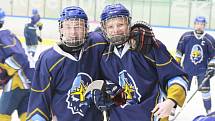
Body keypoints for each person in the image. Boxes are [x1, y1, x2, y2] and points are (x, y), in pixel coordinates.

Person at [92, 3, 188, 121]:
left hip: (152, 116)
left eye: (120, 24)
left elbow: (176, 76)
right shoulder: (103, 55)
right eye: (110, 27)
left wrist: (171, 101)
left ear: (128, 24)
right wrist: (106, 96)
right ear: (104, 29)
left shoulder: (148, 46)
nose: (116, 30)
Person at [26, 6, 107, 121]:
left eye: (78, 27)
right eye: (68, 27)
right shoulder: (48, 59)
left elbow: (116, 34)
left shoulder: (97, 44)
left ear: (86, 29)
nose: (73, 32)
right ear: (61, 29)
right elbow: (39, 99)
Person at [175, 16, 215, 114]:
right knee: (179, 88)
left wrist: (211, 67)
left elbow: (214, 56)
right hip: (187, 69)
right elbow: (179, 52)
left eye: (201, 24)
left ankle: (208, 110)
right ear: (194, 24)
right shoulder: (186, 36)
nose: (199, 26)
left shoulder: (209, 39)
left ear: (205, 26)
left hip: (203, 70)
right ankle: (172, 108)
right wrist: (176, 65)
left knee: (206, 91)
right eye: (197, 24)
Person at [0, 8, 34, 121]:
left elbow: (20, 57)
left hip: (17, 83)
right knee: (25, 114)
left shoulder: (3, 36)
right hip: (27, 82)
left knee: (2, 115)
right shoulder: (6, 35)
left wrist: (5, 72)